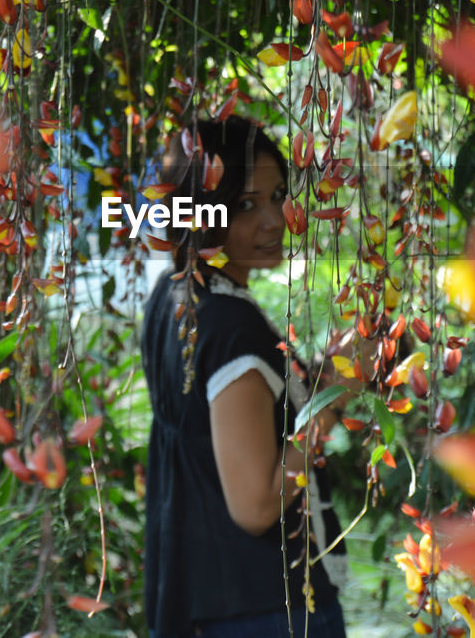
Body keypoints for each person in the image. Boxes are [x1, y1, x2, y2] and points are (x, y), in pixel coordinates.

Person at [141, 116, 352, 638]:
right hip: (267, 610)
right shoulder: (230, 325)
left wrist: (324, 371)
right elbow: (258, 504)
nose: (275, 219)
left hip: (206, 599)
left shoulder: (174, 299)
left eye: (278, 195)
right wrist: (339, 391)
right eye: (245, 204)